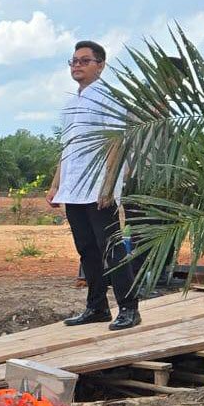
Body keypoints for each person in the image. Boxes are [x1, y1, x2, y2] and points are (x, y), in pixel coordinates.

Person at [46, 40, 140, 332]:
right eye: (74, 61)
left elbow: (116, 142)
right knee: (86, 249)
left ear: (100, 65)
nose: (77, 66)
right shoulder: (70, 103)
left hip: (98, 187)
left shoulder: (108, 98)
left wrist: (109, 185)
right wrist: (56, 184)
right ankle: (97, 306)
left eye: (84, 61)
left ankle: (129, 307)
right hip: (73, 188)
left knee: (111, 247)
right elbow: (67, 148)